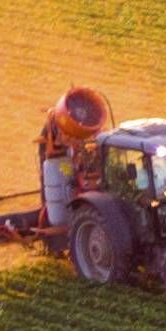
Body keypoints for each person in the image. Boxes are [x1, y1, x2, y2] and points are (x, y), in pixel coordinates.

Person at [34, 87, 108, 231]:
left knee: (68, 174)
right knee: (56, 175)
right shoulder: (57, 125)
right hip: (57, 150)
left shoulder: (79, 124)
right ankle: (50, 216)